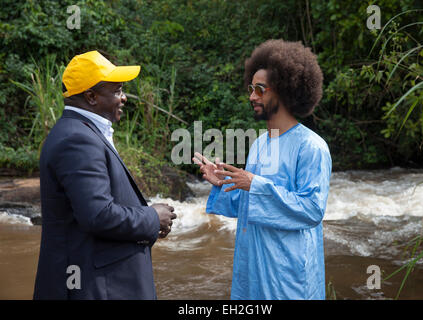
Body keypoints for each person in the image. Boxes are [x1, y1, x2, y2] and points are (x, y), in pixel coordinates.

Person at [193, 40, 331, 299]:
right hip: (253, 266)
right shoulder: (259, 144)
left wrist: (254, 183)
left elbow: (312, 211)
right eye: (251, 88)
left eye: (260, 89)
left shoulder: (312, 147)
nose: (252, 97)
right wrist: (223, 183)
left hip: (288, 275)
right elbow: (250, 206)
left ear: (284, 90)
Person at [33, 50, 176, 300]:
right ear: (91, 97)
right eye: (118, 91)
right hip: (94, 287)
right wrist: (152, 217)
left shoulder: (81, 132)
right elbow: (98, 215)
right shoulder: (77, 139)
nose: (124, 98)